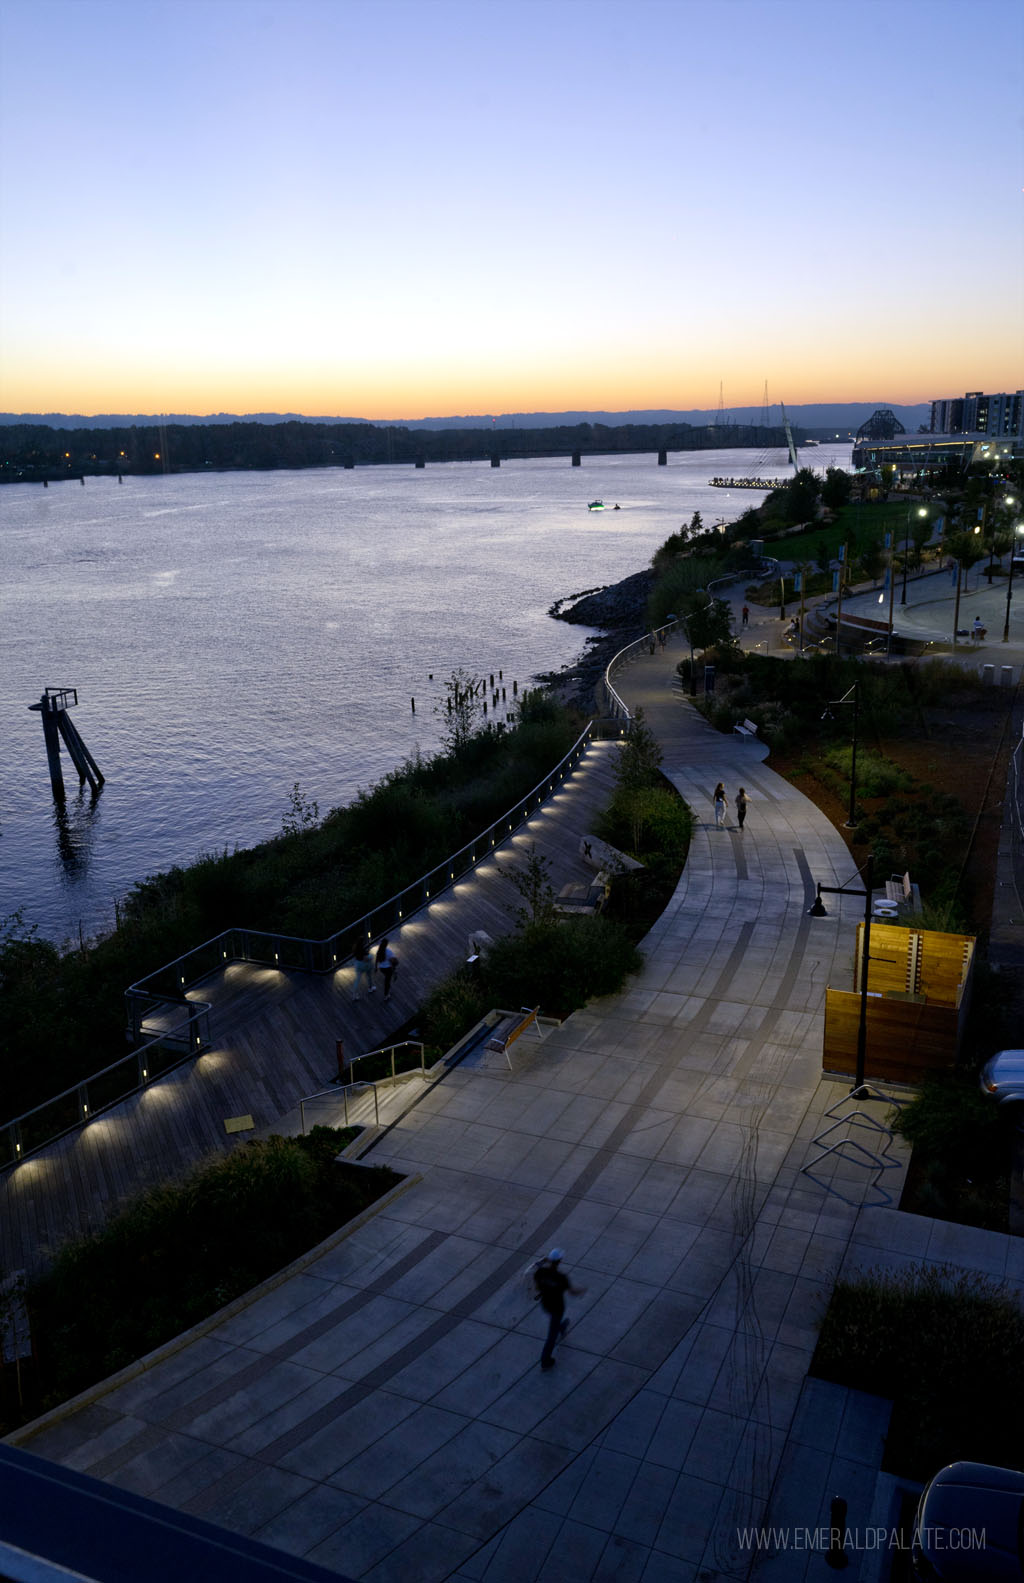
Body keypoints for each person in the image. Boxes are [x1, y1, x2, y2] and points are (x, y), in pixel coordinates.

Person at [534, 1249, 585, 1370]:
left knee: (554, 1322)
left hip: (546, 1304)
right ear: (560, 1261)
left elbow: (537, 1268)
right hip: (557, 1307)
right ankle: (545, 1361)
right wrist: (582, 1290)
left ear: (550, 1260)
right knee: (551, 1336)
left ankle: (562, 1327)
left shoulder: (541, 1272)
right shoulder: (561, 1278)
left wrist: (545, 1260)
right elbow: (572, 1292)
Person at [375, 937, 398, 1001]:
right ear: (387, 944)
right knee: (387, 982)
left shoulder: (379, 950)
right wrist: (395, 972)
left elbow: (377, 959)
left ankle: (388, 990)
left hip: (381, 968)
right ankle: (386, 995)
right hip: (388, 969)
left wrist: (376, 967)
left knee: (387, 979)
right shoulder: (389, 952)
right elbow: (393, 963)